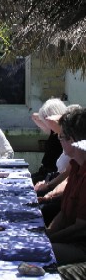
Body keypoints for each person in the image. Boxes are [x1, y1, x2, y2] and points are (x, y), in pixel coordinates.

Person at [46, 108, 86, 266]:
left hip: (81, 248)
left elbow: (81, 228)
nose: (59, 141)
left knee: (37, 257)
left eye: (61, 137)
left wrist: (47, 240)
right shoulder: (76, 166)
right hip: (70, 241)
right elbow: (63, 213)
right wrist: (47, 233)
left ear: (73, 139)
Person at [31, 98, 67, 184]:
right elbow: (35, 117)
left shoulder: (65, 135)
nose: (46, 122)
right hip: (45, 172)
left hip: (51, 176)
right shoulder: (53, 131)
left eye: (47, 119)